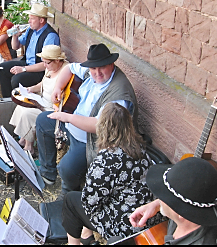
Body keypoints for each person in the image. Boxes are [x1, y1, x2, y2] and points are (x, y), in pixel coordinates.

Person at [36, 43, 138, 201]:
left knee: (66, 168)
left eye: (102, 67)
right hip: (73, 124)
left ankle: (68, 195)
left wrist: (68, 118)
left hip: (92, 141)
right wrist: (58, 87)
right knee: (43, 121)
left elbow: (100, 126)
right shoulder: (92, 71)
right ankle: (48, 173)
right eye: (93, 68)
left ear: (111, 64)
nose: (97, 73)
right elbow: (69, 69)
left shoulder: (118, 93)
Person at [61, 102, 154, 245]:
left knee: (71, 201)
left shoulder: (106, 160)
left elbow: (89, 203)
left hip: (125, 225)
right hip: (146, 216)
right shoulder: (140, 147)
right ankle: (87, 237)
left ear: (102, 127)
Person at [128, 157, 217, 245]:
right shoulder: (193, 211)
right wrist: (157, 205)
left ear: (181, 212)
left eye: (165, 197)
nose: (161, 198)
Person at [10, 45, 69, 155]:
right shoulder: (51, 67)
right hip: (41, 100)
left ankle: (29, 147)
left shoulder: (65, 71)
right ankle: (23, 139)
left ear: (57, 60)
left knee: (27, 113)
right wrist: (31, 89)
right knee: (20, 107)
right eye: (44, 62)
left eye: (47, 62)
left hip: (52, 107)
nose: (45, 65)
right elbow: (43, 83)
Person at [0, 3, 60, 98]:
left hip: (40, 70)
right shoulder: (31, 30)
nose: (29, 21)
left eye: (32, 18)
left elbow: (46, 65)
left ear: (41, 20)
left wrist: (23, 69)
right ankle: (8, 100)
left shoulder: (50, 36)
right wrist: (15, 36)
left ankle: (20, 102)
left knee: (16, 79)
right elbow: (15, 47)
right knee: (2, 68)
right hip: (27, 63)